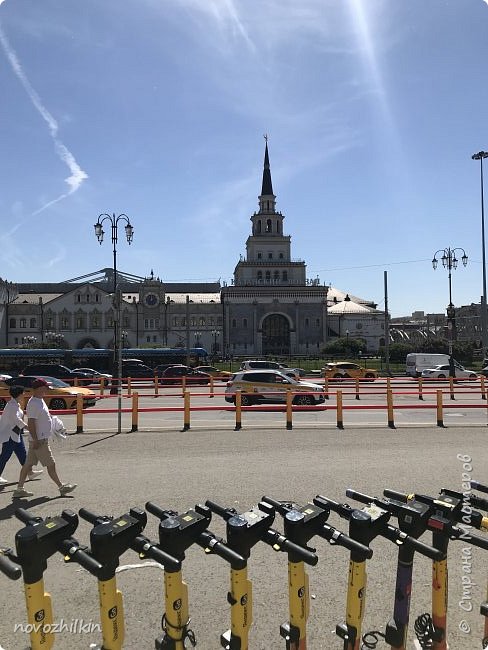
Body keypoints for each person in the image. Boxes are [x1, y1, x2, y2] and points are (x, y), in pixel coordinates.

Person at [12, 378, 77, 498]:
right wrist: (36, 439)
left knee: (27, 465)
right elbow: (31, 423)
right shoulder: (33, 403)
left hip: (38, 439)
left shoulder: (39, 400)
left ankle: (19, 489)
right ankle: (62, 487)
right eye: (44, 388)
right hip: (39, 440)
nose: (46, 390)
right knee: (51, 464)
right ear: (38, 389)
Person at [0, 385, 43, 484]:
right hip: (10, 435)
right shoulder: (12, 406)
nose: (24, 394)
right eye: (22, 393)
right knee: (5, 456)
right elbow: (17, 420)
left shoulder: (15, 404)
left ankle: (30, 473)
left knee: (23, 454)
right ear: (19, 394)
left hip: (15, 433)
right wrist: (29, 427)